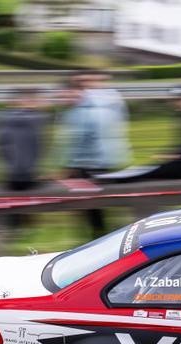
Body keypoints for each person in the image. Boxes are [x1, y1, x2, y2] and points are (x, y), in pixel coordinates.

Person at [54, 75, 131, 236]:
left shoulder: (85, 110)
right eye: (62, 96)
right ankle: (105, 235)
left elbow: (83, 140)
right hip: (100, 161)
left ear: (78, 91)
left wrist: (68, 168)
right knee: (97, 207)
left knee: (93, 208)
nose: (64, 99)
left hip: (94, 164)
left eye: (66, 94)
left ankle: (103, 238)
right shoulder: (84, 107)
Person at [0, 87, 47, 232]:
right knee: (23, 215)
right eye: (38, 100)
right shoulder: (35, 118)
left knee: (15, 215)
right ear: (25, 101)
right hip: (25, 175)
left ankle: (15, 230)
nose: (43, 103)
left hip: (8, 174)